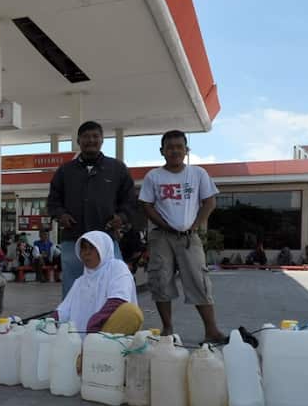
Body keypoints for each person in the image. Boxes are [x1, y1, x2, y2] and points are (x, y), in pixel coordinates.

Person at [139, 130, 227, 343]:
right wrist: (166, 225)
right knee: (161, 280)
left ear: (187, 150)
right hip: (161, 237)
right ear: (162, 151)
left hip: (190, 237)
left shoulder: (198, 174)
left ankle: (211, 331)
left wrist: (195, 226)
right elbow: (146, 205)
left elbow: (209, 202)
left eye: (180, 146)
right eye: (170, 147)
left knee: (199, 280)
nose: (175, 151)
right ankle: (167, 329)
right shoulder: (153, 176)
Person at [47, 120, 135, 298]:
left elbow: (130, 200)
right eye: (86, 137)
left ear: (102, 140)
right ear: (78, 141)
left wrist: (122, 217)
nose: (91, 140)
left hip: (107, 240)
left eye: (95, 136)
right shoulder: (65, 171)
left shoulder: (117, 169)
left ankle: (110, 324)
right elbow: (53, 202)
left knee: (113, 286)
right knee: (72, 289)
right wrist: (61, 215)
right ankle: (71, 325)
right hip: (73, 241)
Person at [55, 231, 144, 334]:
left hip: (111, 336)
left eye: (92, 247)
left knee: (130, 311)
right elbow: (63, 311)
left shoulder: (117, 267)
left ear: (103, 249)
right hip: (83, 341)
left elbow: (119, 299)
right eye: (83, 248)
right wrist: (48, 322)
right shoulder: (80, 281)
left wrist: (96, 322)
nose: (86, 252)